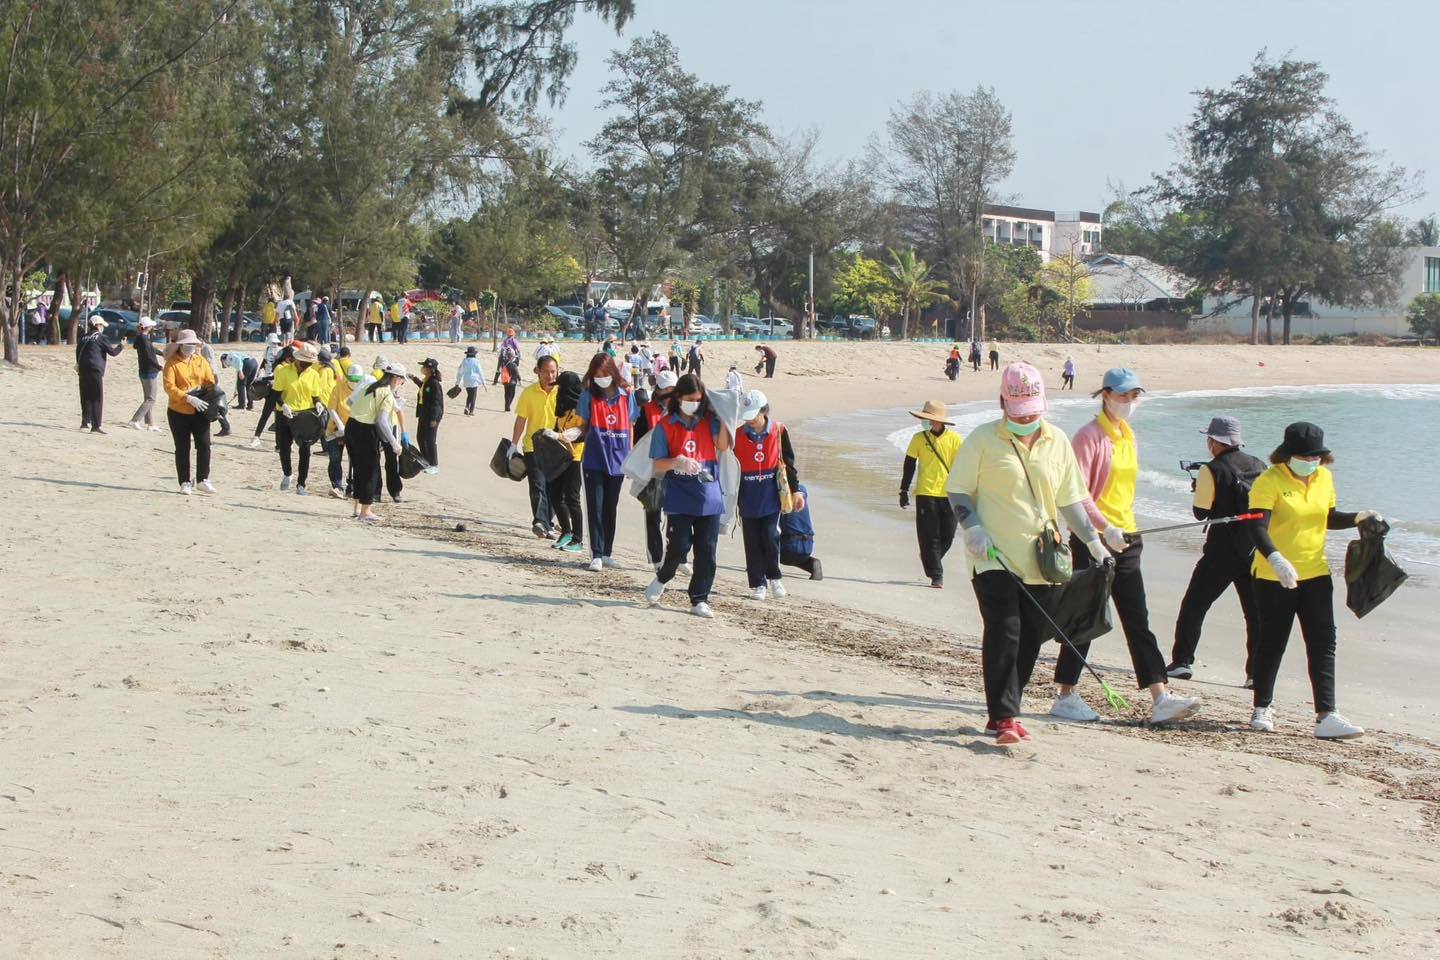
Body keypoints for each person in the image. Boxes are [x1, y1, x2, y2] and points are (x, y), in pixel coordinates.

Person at [945, 361, 1106, 745]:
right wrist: (973, 527)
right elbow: (958, 490)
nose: (1026, 418)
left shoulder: (1058, 442)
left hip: (1043, 559)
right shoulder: (983, 440)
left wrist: (1094, 541)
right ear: (1003, 402)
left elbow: (1070, 500)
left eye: (1032, 411)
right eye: (1019, 412)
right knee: (1005, 629)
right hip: (992, 555)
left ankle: (1002, 713)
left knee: (1031, 636)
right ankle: (1004, 718)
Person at [1063, 368, 1201, 726]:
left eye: (1134, 396)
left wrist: (1122, 530)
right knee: (1087, 618)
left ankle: (1160, 697)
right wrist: (1104, 529)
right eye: (1122, 395)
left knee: (1138, 618)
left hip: (1128, 537)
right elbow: (1078, 494)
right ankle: (1065, 693)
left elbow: (1124, 491)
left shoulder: (1128, 435)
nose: (1128, 402)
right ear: (1105, 395)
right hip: (1092, 539)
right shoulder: (1088, 437)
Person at [1247, 422, 1376, 740]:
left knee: (1323, 642)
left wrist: (1357, 518)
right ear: (1287, 455)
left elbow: (1328, 517)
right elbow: (1258, 527)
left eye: (1316, 456)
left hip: (1316, 573)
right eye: (1305, 457)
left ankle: (1326, 715)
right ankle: (1262, 707)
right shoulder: (1268, 481)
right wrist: (1276, 558)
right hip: (1275, 576)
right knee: (1272, 641)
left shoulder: (1324, 478)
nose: (1311, 461)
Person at [1168, 416, 1267, 683]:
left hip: (1221, 550)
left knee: (1195, 605)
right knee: (1255, 614)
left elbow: (1201, 513)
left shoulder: (1211, 469)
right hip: (1254, 547)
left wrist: (1199, 489)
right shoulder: (1260, 465)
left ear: (1214, 442)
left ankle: (1182, 662)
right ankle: (1256, 674)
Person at [642, 372, 732, 618]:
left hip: (709, 494)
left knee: (707, 551)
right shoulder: (665, 425)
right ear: (678, 397)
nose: (694, 403)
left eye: (698, 399)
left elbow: (723, 446)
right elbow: (657, 464)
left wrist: (725, 418)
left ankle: (699, 599)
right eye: (689, 399)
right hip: (679, 494)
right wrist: (678, 461)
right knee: (679, 546)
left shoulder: (708, 420)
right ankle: (663, 577)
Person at [574, 352, 639, 571]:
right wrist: (569, 435)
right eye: (597, 375)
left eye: (604, 373)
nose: (601, 378)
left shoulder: (626, 396)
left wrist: (630, 456)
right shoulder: (588, 396)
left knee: (611, 507)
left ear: (612, 372)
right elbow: (583, 426)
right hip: (594, 459)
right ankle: (597, 553)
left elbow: (631, 425)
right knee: (596, 506)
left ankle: (608, 552)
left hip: (618, 459)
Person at [734, 389, 801, 601]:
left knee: (771, 536)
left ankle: (774, 577)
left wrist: (796, 491)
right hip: (747, 495)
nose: (751, 420)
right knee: (752, 541)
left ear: (764, 410)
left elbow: (789, 463)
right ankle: (758, 583)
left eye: (754, 415)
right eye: (747, 416)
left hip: (771, 495)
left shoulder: (779, 430)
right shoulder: (737, 435)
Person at [898, 400, 963, 588]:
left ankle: (929, 557)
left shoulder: (955, 440)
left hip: (949, 493)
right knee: (929, 536)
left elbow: (962, 467)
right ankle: (936, 575)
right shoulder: (918, 438)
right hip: (925, 492)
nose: (924, 422)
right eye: (924, 418)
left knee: (948, 535)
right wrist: (903, 490)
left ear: (939, 421)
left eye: (927, 419)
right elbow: (909, 465)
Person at [634, 369, 683, 571]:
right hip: (653, 471)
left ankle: (678, 557)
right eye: (666, 390)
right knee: (653, 514)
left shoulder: (683, 412)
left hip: (677, 470)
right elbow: (638, 442)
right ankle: (656, 558)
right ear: (658, 391)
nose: (670, 394)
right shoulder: (647, 411)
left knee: (677, 516)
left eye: (673, 390)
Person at [346, 362, 406, 523]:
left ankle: (358, 508)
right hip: (365, 430)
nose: (401, 384)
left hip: (351, 426)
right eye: (401, 381)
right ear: (395, 378)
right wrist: (394, 443)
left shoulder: (370, 385)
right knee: (370, 471)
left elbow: (350, 403)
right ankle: (365, 511)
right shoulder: (386, 393)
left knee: (358, 468)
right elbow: (382, 421)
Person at [510, 354, 561, 538]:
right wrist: (514, 444)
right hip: (533, 447)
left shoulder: (562, 392)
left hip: (557, 448)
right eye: (546, 372)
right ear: (538, 372)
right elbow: (521, 420)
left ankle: (548, 521)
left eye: (553, 372)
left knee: (554, 487)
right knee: (538, 485)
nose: (550, 376)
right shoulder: (529, 393)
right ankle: (540, 522)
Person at [162, 329, 217, 495]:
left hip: (200, 409)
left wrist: (210, 390)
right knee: (182, 448)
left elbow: (209, 381)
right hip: (178, 411)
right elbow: (169, 387)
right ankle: (185, 481)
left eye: (193, 344)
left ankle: (203, 479)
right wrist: (187, 397)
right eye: (187, 344)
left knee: (204, 445)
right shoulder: (172, 363)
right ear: (180, 345)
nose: (191, 347)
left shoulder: (201, 361)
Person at [273, 341, 328, 495]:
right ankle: (287, 473)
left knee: (305, 449)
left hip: (305, 415)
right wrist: (283, 405)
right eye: (304, 363)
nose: (306, 366)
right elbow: (276, 393)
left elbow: (315, 394)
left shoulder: (313, 374)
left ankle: (301, 484)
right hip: (285, 414)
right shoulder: (284, 371)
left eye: (309, 364)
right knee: (284, 447)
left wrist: (318, 403)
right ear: (297, 360)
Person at [549, 371, 586, 554]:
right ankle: (566, 531)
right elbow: (557, 427)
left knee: (572, 498)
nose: (559, 391)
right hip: (560, 456)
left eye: (561, 387)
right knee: (555, 494)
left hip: (575, 457)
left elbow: (582, 432)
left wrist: (562, 436)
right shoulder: (562, 406)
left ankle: (578, 539)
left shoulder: (581, 407)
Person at [76, 315, 123, 432]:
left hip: (83, 368)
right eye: (102, 325)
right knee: (97, 398)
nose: (103, 328)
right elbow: (113, 352)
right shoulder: (101, 337)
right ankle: (96, 426)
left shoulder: (83, 337)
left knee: (85, 396)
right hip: (95, 369)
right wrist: (121, 346)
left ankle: (85, 423)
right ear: (97, 325)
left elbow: (77, 352)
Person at [324, 361, 363, 499]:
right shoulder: (339, 388)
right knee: (335, 458)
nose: (354, 383)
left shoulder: (364, 390)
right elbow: (331, 408)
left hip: (356, 429)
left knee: (356, 460)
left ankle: (353, 485)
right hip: (336, 429)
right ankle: (337, 486)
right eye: (352, 380)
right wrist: (340, 424)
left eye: (357, 380)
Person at [127, 316, 166, 432]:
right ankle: (134, 420)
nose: (152, 328)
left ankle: (150, 423)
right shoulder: (144, 339)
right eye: (151, 326)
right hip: (149, 371)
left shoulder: (141, 338)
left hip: (144, 370)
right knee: (151, 399)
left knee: (148, 398)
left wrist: (162, 353)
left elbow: (151, 349)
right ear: (147, 327)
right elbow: (149, 356)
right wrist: (159, 367)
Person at [780, 482, 823, 581]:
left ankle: (758, 563)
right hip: (807, 548)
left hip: (786, 547)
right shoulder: (802, 489)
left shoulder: (778, 489)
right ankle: (811, 563)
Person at [412, 357, 444, 472]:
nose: (422, 368)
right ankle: (425, 461)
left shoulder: (435, 383)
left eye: (424, 367)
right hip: (423, 413)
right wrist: (414, 379)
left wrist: (434, 418)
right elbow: (424, 388)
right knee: (420, 437)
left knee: (430, 440)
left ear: (430, 369)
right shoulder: (427, 381)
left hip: (432, 416)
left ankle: (434, 465)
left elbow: (437, 402)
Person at [496, 328, 522, 412]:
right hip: (512, 362)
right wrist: (519, 379)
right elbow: (518, 350)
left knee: (506, 392)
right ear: (513, 334)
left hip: (504, 364)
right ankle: (508, 405)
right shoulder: (514, 341)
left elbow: (501, 350)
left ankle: (506, 405)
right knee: (512, 392)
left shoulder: (505, 341)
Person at [456, 346, 486, 415]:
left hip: (466, 380)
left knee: (469, 395)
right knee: (473, 396)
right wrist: (483, 382)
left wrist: (457, 382)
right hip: (474, 381)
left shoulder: (464, 361)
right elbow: (480, 372)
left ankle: (467, 407)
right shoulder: (476, 361)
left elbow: (460, 372)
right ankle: (471, 411)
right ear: (474, 354)